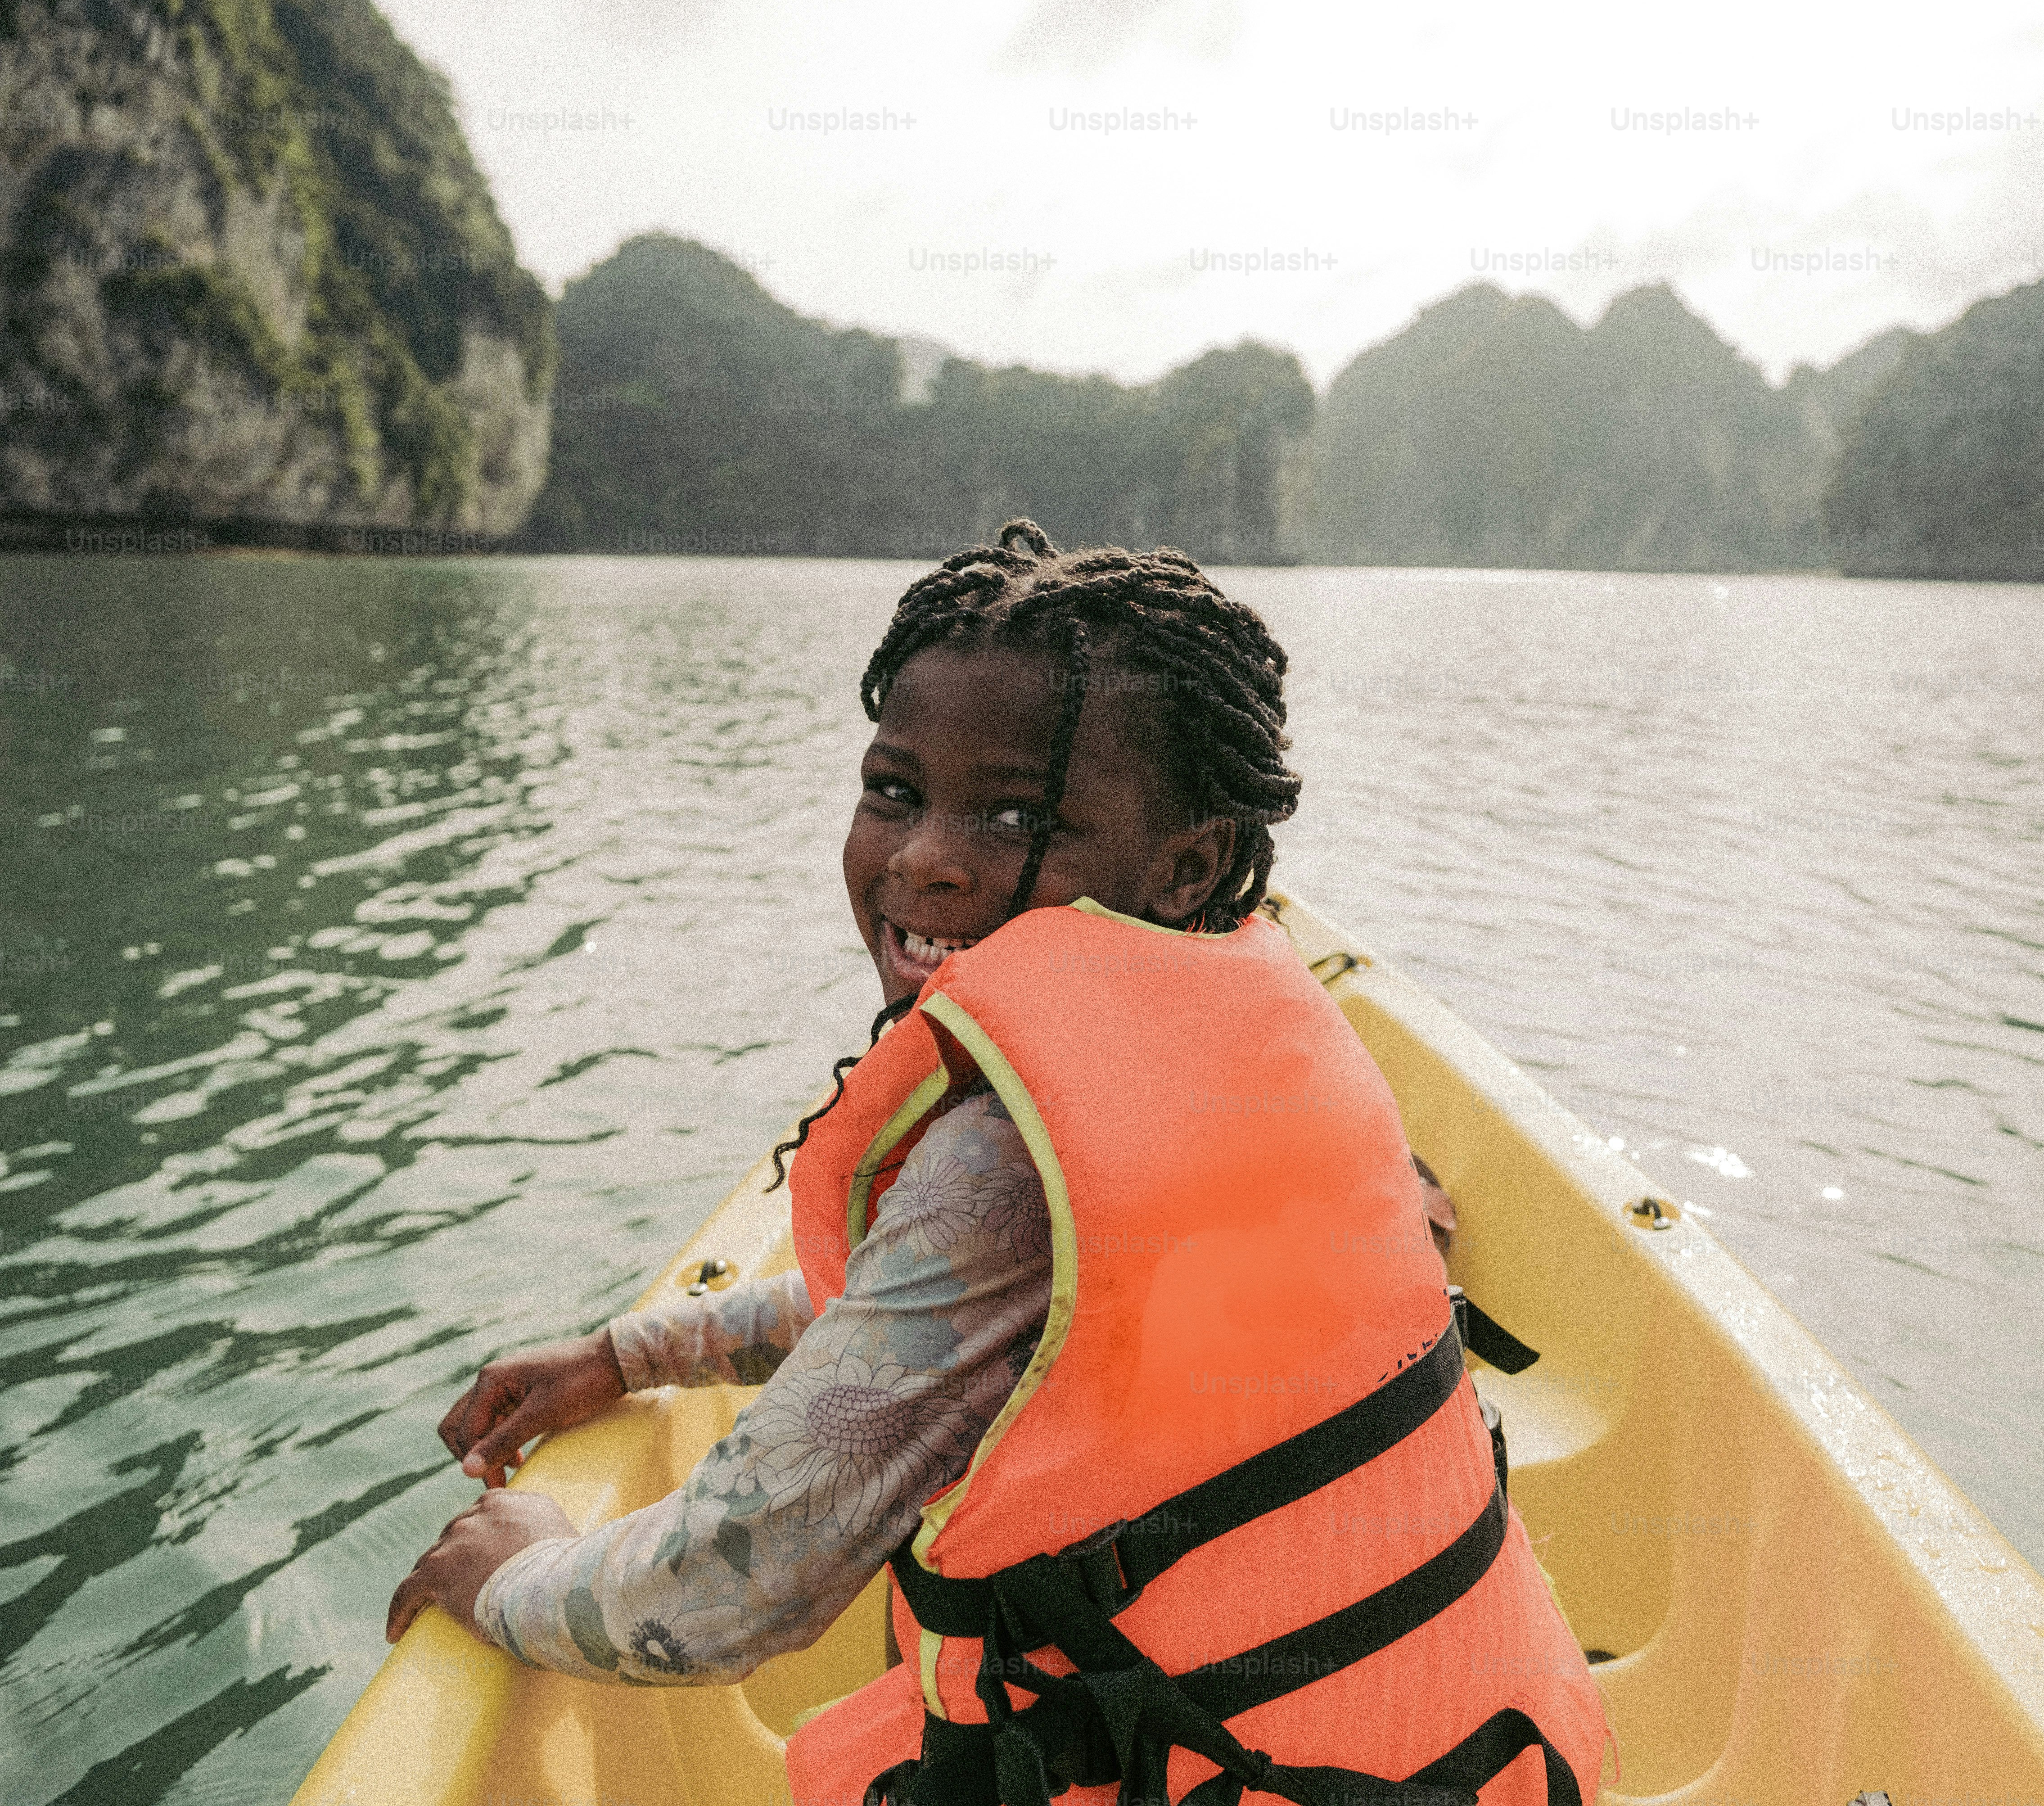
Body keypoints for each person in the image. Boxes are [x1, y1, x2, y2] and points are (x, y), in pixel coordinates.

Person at [388, 522, 1605, 1806]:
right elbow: (985, 1323)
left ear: (1184, 864)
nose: (925, 856)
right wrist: (638, 1356)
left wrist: (509, 1567)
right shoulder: (1245, 1031)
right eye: (896, 791)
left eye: (1020, 815)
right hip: (1480, 1763)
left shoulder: (1003, 1167)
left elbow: (719, 1593)